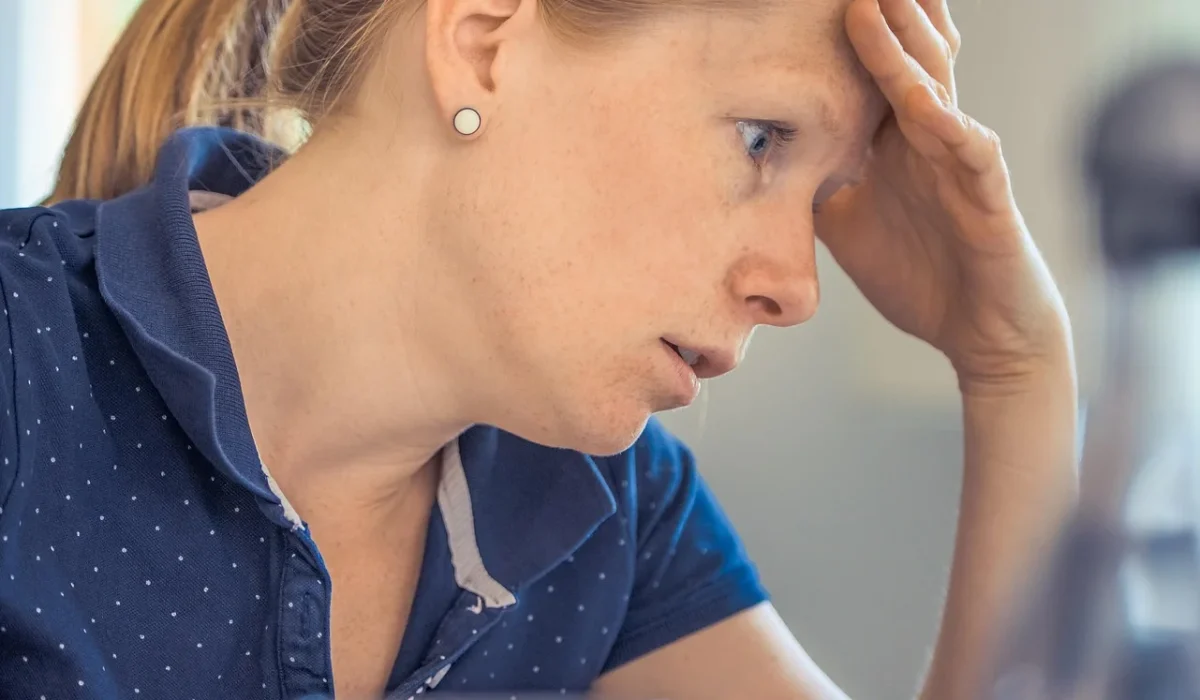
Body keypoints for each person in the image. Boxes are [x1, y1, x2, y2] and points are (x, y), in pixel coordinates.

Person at [0, 0, 1079, 696]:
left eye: (827, 196)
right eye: (761, 140)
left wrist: (1014, 365)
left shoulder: (606, 510)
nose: (796, 288)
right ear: (481, 43)